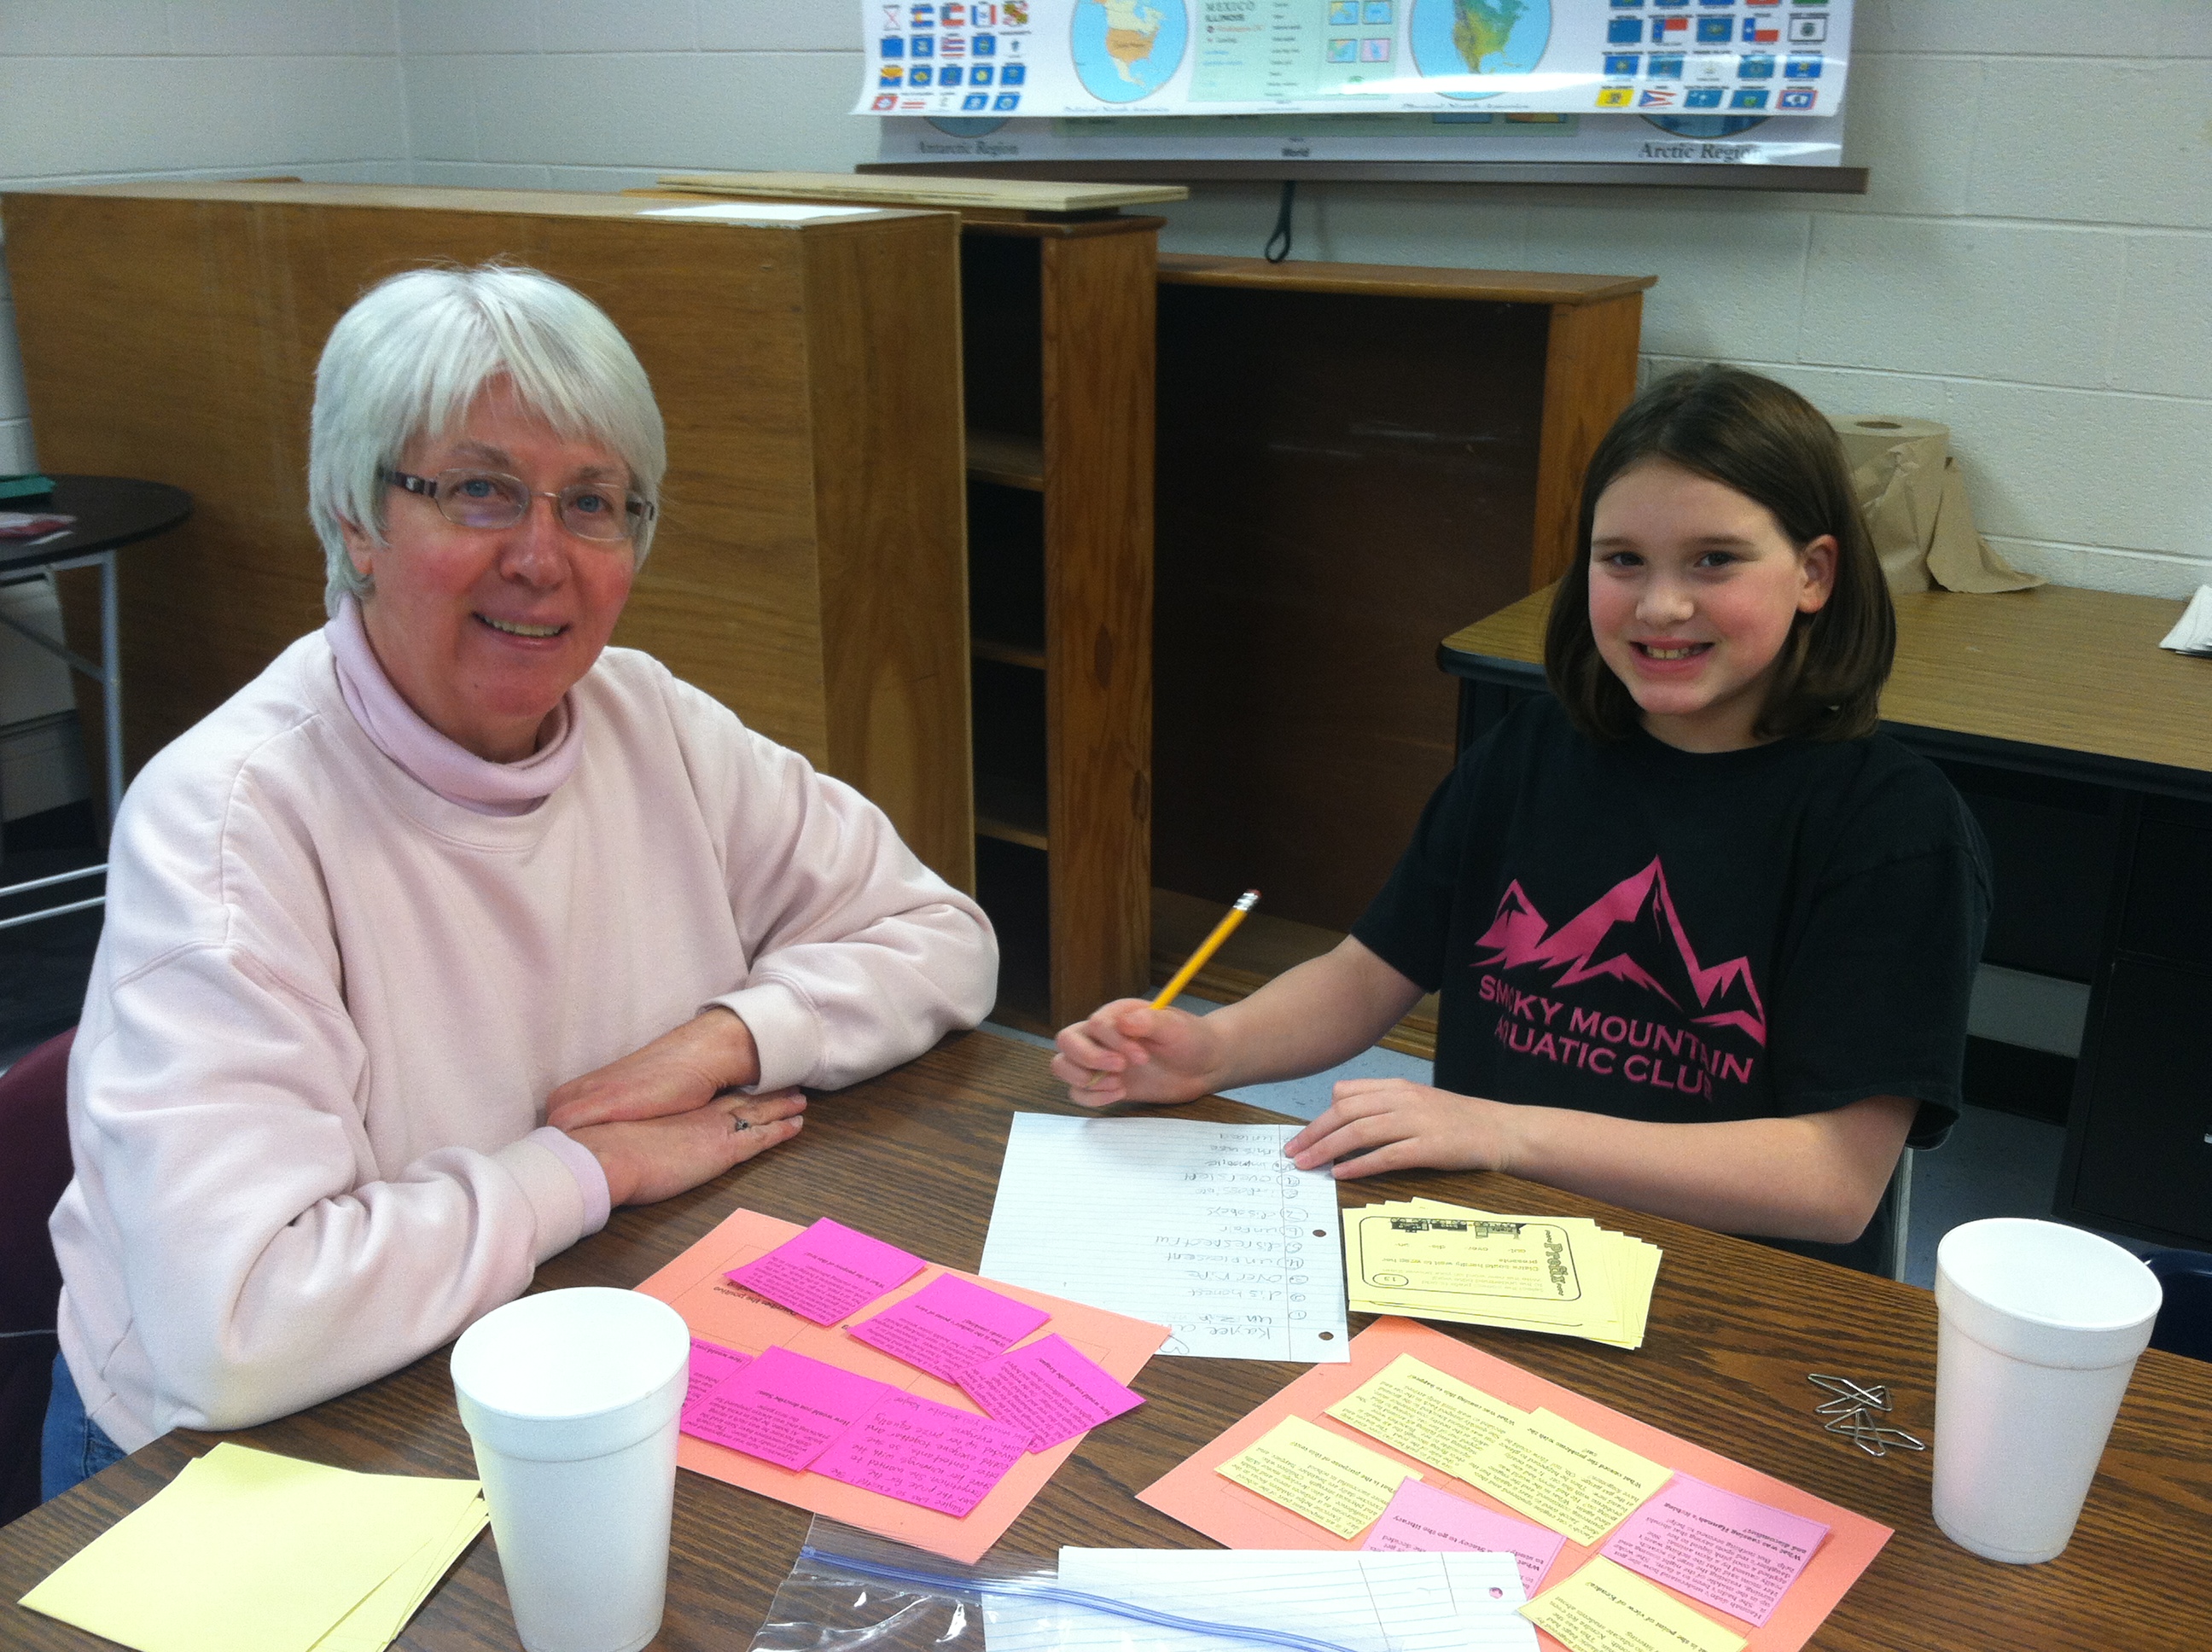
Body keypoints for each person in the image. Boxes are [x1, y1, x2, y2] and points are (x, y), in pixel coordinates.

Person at [43, 265, 997, 1495]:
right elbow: (237, 1326)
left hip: (562, 1329)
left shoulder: (649, 719)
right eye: (480, 490)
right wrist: (592, 1167)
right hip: (226, 1460)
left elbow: (939, 935)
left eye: (593, 503)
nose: (542, 559)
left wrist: (723, 1039)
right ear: (354, 520)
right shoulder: (231, 819)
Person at [1054, 366, 1988, 1274]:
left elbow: (1832, 1181)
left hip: (1727, 1287)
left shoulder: (1892, 827)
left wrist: (1503, 1131)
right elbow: (1365, 974)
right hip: (1495, 1247)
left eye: (1715, 559)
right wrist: (1213, 1050)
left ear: (1814, 573)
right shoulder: (1532, 749)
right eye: (1622, 559)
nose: (1661, 604)